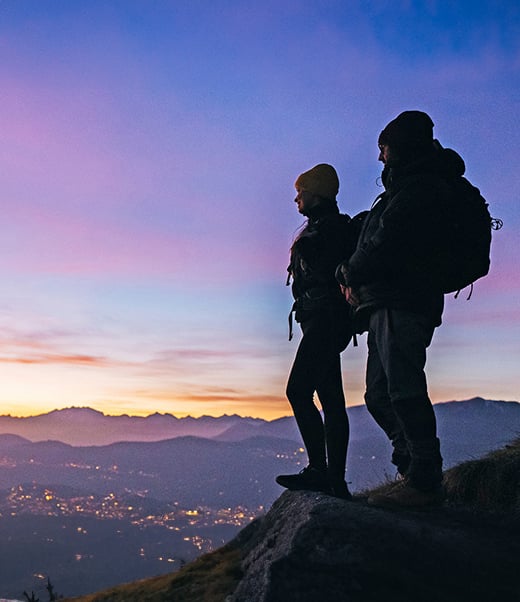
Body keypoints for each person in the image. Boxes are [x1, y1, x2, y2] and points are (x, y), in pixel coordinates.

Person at [338, 111, 465, 508]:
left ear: (402, 145)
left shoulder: (420, 190)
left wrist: (346, 272)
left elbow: (384, 244)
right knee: (378, 394)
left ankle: (424, 479)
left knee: (403, 389)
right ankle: (413, 468)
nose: (380, 158)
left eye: (384, 147)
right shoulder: (404, 189)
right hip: (386, 303)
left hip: (404, 302)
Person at [275, 163, 356, 500]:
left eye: (301, 193)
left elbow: (325, 274)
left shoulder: (331, 230)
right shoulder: (330, 227)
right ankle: (333, 479)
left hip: (323, 321)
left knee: (298, 391)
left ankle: (320, 471)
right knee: (331, 400)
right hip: (324, 321)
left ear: (316, 193)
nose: (296, 199)